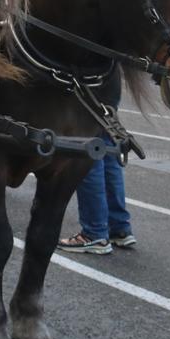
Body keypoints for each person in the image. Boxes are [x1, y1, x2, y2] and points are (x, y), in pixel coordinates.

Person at [58, 83, 135, 255]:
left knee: (89, 152)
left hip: (87, 84)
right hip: (108, 83)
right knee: (107, 148)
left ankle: (94, 233)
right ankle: (119, 228)